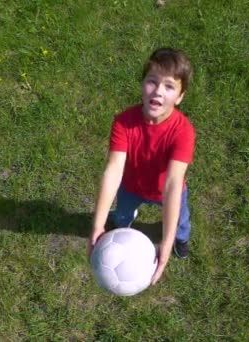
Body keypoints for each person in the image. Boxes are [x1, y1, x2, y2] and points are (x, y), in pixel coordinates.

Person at [88, 47, 195, 285]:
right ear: (142, 84)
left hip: (165, 192)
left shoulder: (183, 132)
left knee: (181, 221)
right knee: (122, 214)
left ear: (180, 96)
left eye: (169, 86)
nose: (158, 91)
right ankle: (118, 231)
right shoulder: (124, 122)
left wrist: (165, 243)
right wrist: (98, 225)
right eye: (152, 81)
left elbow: (173, 183)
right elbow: (114, 169)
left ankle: (180, 238)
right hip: (131, 187)